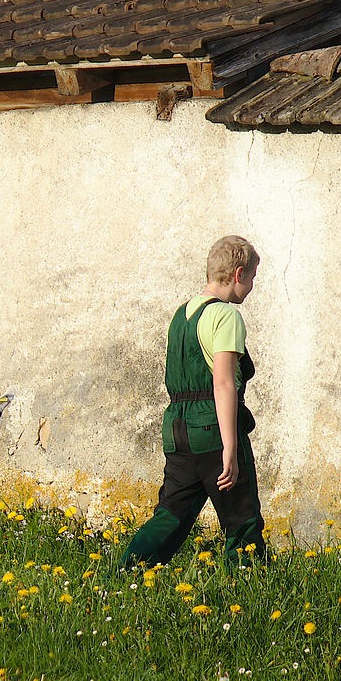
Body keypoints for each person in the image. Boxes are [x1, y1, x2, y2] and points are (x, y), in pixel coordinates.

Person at [118, 235, 266, 570]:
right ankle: (250, 584)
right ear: (239, 273)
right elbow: (224, 382)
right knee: (240, 517)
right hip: (212, 427)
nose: (253, 286)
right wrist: (230, 447)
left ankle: (127, 570)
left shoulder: (181, 316)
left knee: (172, 513)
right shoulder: (226, 317)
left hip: (177, 428)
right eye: (253, 277)